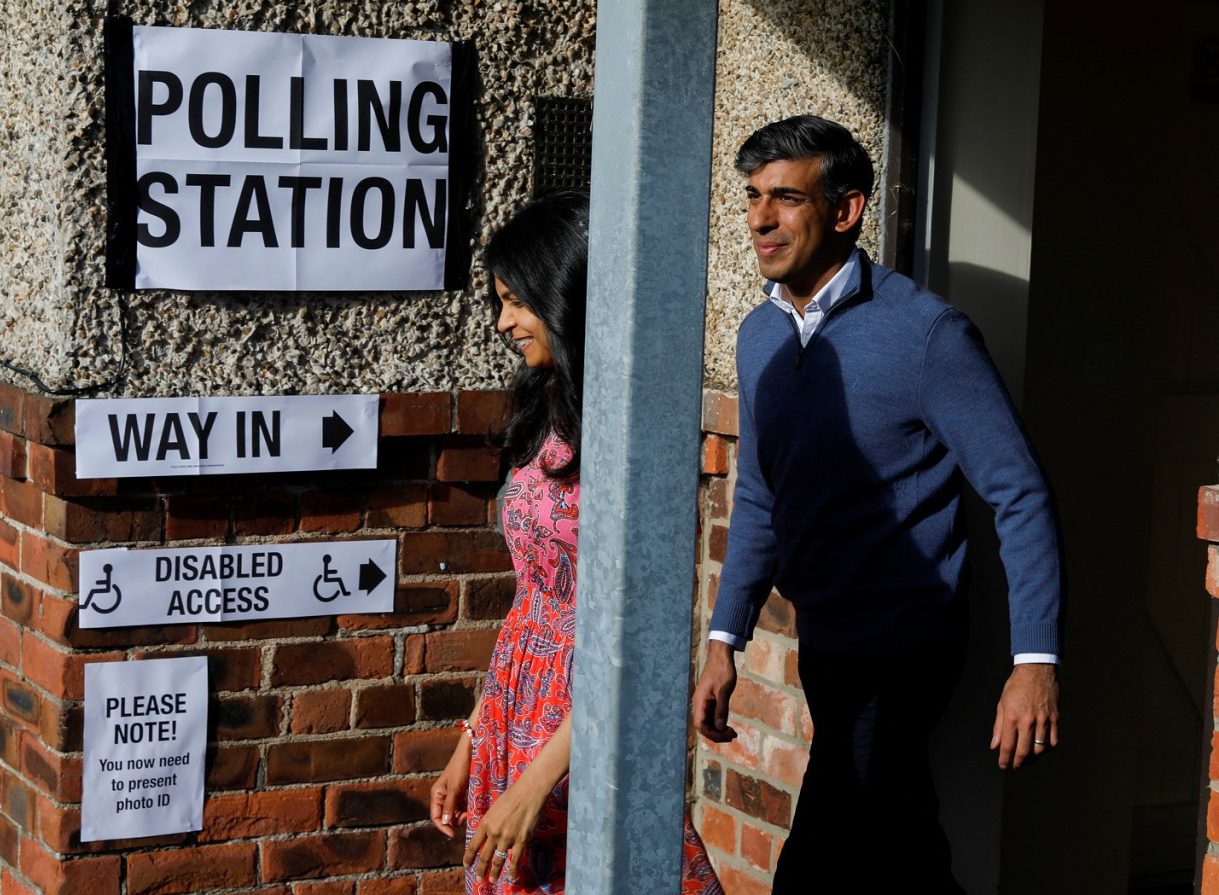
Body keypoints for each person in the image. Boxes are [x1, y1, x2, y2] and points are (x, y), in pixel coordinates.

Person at [690, 116, 1065, 892]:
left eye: (786, 199)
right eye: (753, 197)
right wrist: (726, 635)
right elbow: (760, 494)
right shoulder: (760, 336)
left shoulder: (926, 335)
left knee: (826, 845)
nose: (760, 218)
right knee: (897, 842)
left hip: (907, 641)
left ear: (846, 208)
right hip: (827, 638)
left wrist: (1035, 660)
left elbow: (1019, 490)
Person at [429, 189, 721, 895]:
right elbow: (530, 602)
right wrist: (475, 737)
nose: (502, 321)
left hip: (588, 725)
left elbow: (641, 637)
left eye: (516, 300)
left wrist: (538, 780)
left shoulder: (637, 431)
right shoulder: (545, 406)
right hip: (517, 712)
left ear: (566, 292)